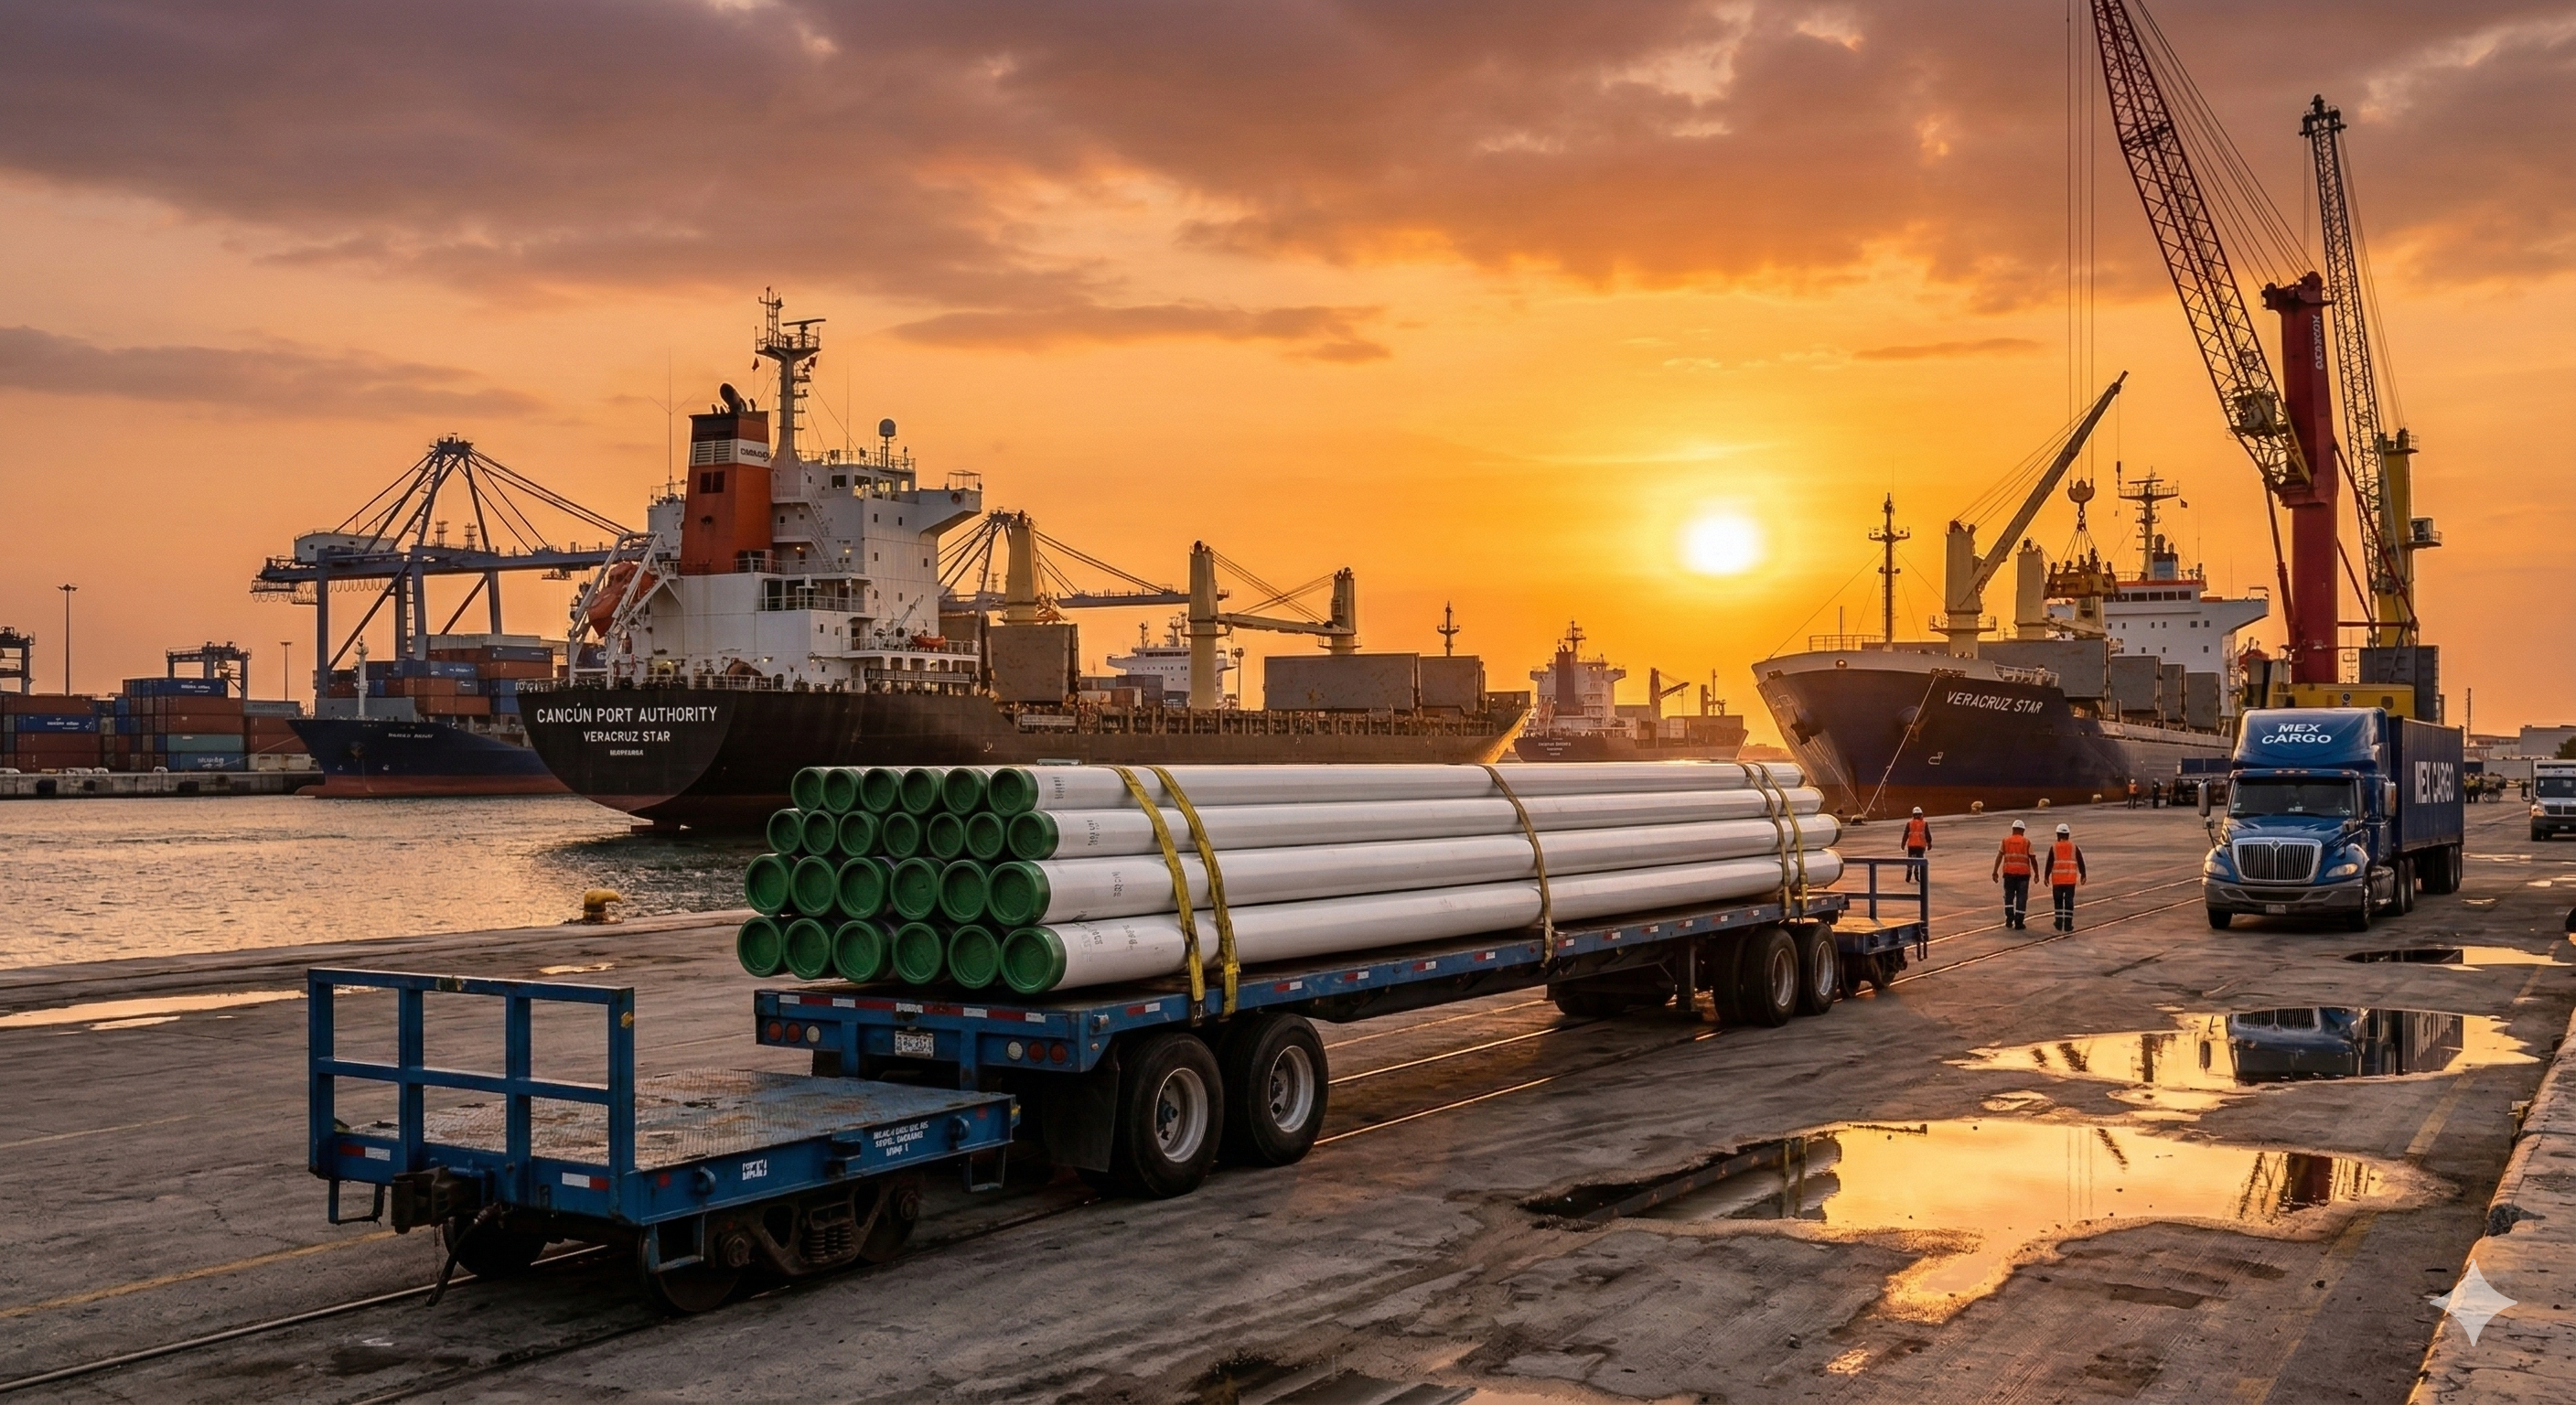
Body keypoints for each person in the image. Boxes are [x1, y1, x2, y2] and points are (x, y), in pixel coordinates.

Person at [1992, 819, 2034, 929]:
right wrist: (2037, 873)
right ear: (2023, 831)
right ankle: (2019, 922)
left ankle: (2009, 919)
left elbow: (1999, 856)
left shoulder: (2005, 841)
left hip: (2009, 874)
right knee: (2021, 898)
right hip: (2023, 875)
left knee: (2009, 896)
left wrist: (1995, 871)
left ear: (2013, 830)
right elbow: (2033, 858)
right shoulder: (2027, 842)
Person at [2045, 821, 2088, 931]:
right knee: (2069, 902)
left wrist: (2046, 876)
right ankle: (2068, 925)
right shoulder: (2074, 847)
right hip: (2070, 880)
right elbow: (2080, 861)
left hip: (2057, 881)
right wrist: (2083, 874)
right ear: (2068, 835)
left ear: (2058, 835)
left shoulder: (2054, 847)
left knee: (2058, 902)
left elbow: (2049, 862)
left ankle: (2059, 923)